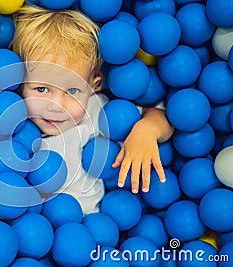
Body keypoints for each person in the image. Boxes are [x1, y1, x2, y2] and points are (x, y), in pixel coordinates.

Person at [11, 5, 174, 214]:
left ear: (93, 86)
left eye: (72, 90)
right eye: (41, 89)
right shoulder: (13, 126)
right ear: (21, 84)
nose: (56, 106)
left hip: (94, 226)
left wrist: (147, 130)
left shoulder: (98, 111)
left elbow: (164, 117)